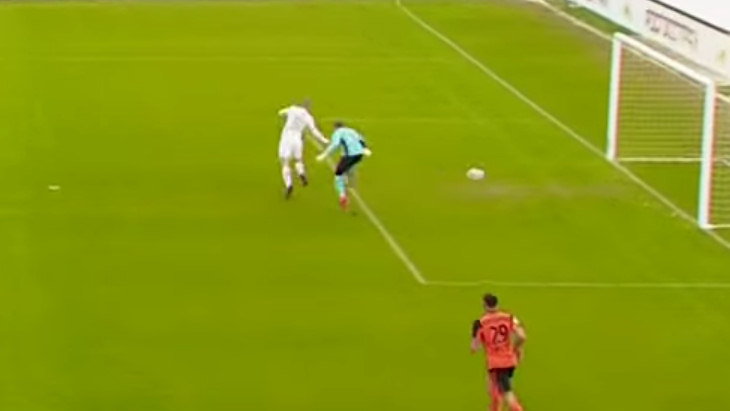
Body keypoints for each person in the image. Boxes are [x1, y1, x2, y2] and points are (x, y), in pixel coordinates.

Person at [471, 293, 527, 411]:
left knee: (507, 394)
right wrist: (516, 348)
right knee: (494, 389)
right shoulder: (509, 317)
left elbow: (475, 347)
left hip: (496, 363)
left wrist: (478, 338)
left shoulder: (480, 323)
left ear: (484, 305)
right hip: (510, 360)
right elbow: (521, 336)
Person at [277, 100, 329, 199]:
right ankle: (301, 173)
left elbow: (280, 112)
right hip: (297, 139)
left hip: (287, 138)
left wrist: (286, 117)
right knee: (298, 160)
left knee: (285, 162)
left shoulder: (293, 109)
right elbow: (314, 131)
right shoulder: (308, 117)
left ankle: (289, 185)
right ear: (309, 108)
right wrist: (324, 140)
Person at [316, 122, 371, 210]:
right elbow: (361, 140)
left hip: (350, 155)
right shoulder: (351, 130)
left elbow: (335, 145)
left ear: (336, 128)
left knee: (338, 174)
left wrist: (323, 155)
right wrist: (366, 149)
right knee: (349, 167)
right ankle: (351, 181)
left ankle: (343, 195)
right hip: (359, 154)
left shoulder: (338, 132)